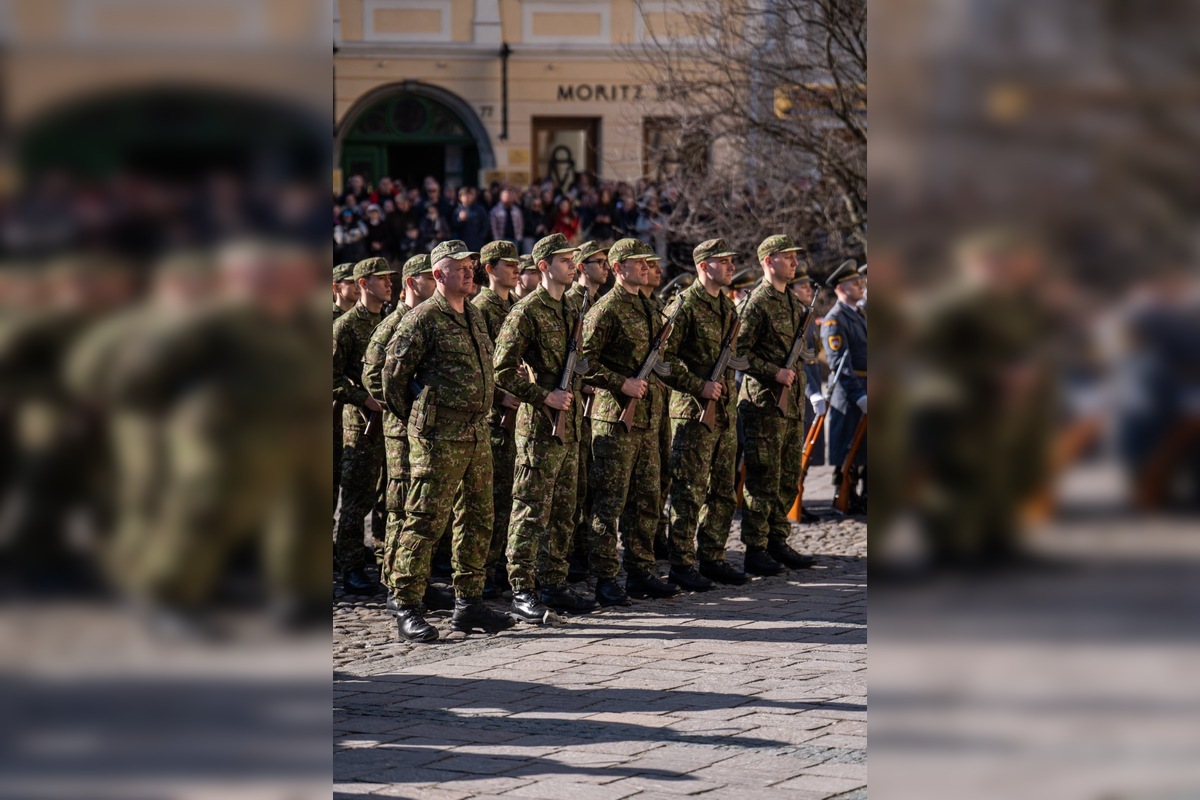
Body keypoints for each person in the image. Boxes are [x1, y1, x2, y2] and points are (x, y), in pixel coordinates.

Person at [381, 239, 514, 642]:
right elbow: (392, 379)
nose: (469, 271)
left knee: (477, 518)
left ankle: (468, 603)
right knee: (424, 520)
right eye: (459, 267)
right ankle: (406, 604)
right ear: (438, 274)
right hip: (440, 436)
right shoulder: (423, 319)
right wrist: (420, 419)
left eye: (471, 265)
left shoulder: (472, 315)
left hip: (476, 432)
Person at [494, 233, 598, 622]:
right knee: (530, 510)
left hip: (567, 427)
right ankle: (522, 589)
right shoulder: (527, 311)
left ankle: (555, 582)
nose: (573, 265)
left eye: (573, 259)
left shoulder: (570, 309)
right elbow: (501, 370)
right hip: (540, 428)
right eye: (565, 260)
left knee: (564, 510)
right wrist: (541, 396)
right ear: (543, 267)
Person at [581, 238, 681, 605]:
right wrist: (620, 382)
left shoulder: (650, 307)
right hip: (615, 421)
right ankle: (606, 578)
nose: (645, 266)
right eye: (637, 262)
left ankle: (641, 570)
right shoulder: (605, 310)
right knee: (609, 503)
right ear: (618, 268)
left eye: (647, 261)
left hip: (649, 420)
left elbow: (663, 361)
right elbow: (583, 363)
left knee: (647, 499)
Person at [362, 254, 451, 612]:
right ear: (414, 283)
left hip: (428, 431)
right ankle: (395, 584)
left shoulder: (431, 319)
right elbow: (373, 376)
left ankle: (418, 579)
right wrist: (409, 403)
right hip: (401, 431)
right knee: (400, 505)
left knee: (424, 507)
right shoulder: (393, 324)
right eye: (428, 280)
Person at [661, 239, 750, 588]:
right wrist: (698, 386)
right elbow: (662, 360)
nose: (730, 266)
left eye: (731, 260)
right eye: (722, 261)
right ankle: (682, 563)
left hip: (723, 412)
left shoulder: (726, 308)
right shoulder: (683, 306)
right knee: (689, 490)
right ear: (703, 266)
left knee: (723, 490)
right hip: (694, 413)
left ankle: (712, 556)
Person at [736, 235, 817, 574]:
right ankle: (755, 548)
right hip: (764, 405)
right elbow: (738, 354)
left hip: (790, 407)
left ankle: (777, 540)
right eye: (787, 257)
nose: (795, 262)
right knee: (762, 478)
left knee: (787, 476)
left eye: (795, 257)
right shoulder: (756, 303)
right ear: (769, 262)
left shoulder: (792, 302)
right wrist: (774, 372)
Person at [332, 256, 397, 595]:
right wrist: (362, 398)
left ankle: (386, 560)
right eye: (380, 278)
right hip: (361, 425)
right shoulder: (344, 326)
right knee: (357, 500)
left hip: (389, 424)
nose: (388, 283)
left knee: (389, 496)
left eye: (389, 278)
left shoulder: (387, 321)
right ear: (362, 284)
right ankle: (351, 565)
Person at [472, 240, 522, 596]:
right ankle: (485, 572)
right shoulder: (479, 308)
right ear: (489, 269)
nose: (516, 268)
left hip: (517, 413)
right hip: (493, 417)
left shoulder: (517, 306)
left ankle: (503, 566)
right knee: (488, 499)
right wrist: (499, 398)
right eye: (507, 263)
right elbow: (478, 369)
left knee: (510, 495)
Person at [564, 241, 610, 579]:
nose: (606, 267)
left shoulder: (598, 303)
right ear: (581, 267)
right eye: (599, 261)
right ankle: (571, 556)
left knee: (586, 484)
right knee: (572, 487)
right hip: (573, 409)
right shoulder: (571, 304)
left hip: (592, 409)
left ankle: (583, 552)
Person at [822, 261, 868, 514]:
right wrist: (860, 395)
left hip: (866, 387)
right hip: (850, 394)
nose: (860, 285)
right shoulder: (835, 320)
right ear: (841, 288)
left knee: (865, 449)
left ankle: (860, 496)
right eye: (854, 282)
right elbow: (840, 364)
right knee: (849, 450)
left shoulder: (859, 314)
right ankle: (844, 495)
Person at [452, 186, 490, 253]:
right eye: (465, 195)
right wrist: (460, 220)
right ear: (460, 197)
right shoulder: (457, 211)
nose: (467, 197)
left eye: (469, 195)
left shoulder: (479, 210)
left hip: (477, 245)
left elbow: (485, 225)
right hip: (462, 246)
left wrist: (480, 238)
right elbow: (453, 227)